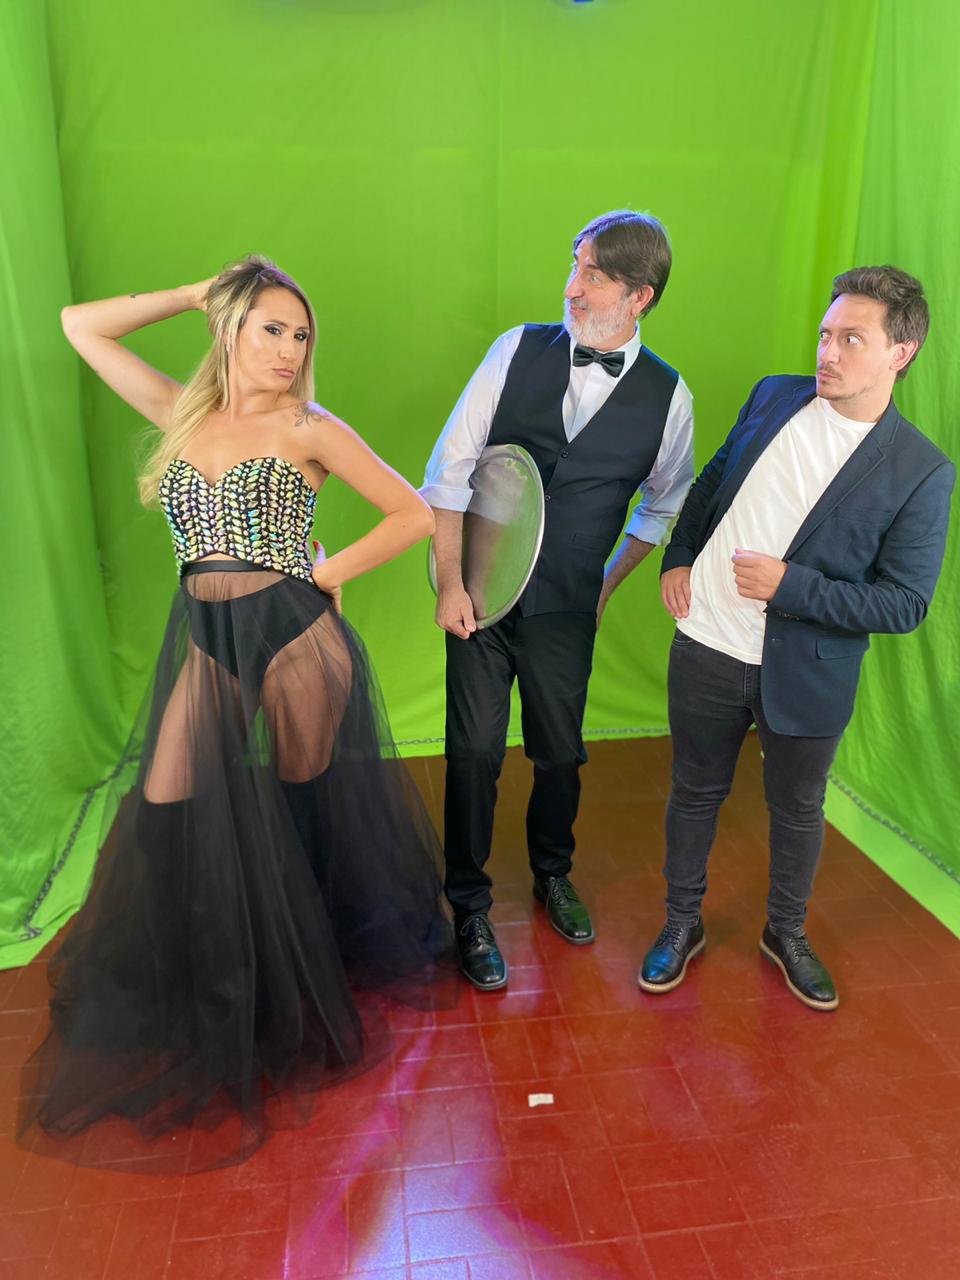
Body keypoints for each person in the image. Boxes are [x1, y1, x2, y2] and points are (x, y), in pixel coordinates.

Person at [19, 256, 454, 1166]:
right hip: (208, 636)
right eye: (271, 328)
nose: (289, 349)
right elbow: (79, 326)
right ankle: (204, 965)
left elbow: (412, 515)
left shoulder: (309, 427)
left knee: (303, 800)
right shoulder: (182, 411)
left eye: (301, 335)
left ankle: (307, 968)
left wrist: (326, 573)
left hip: (295, 634)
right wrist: (191, 294)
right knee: (168, 799)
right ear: (229, 330)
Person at [639, 265, 954, 1011]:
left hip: (809, 668)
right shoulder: (774, 395)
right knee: (694, 791)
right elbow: (712, 483)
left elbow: (905, 603)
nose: (828, 352)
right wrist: (679, 557)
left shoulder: (921, 471)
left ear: (900, 353)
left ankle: (786, 932)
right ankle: (680, 923)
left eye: (852, 339)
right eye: (825, 333)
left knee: (798, 808)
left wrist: (791, 587)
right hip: (708, 643)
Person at [423, 211, 694, 990]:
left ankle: (552, 873)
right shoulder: (515, 349)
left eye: (594, 276)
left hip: (570, 608)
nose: (572, 288)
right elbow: (449, 471)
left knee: (559, 753)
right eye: (574, 266)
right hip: (479, 598)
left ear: (639, 296)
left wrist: (605, 583)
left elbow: (664, 506)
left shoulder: (669, 398)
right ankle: (469, 906)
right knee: (474, 754)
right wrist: (449, 581)